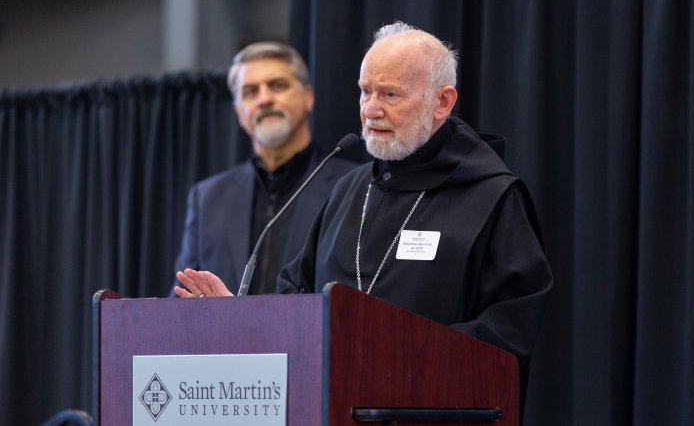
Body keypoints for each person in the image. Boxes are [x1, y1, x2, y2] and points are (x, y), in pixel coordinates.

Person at [175, 23, 552, 387]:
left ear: (442, 102)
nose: (371, 110)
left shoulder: (491, 196)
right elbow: (295, 298)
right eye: (365, 91)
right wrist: (239, 319)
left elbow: (510, 330)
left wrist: (389, 357)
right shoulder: (348, 190)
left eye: (390, 94)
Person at [170, 41, 357, 295]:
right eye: (250, 91)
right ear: (238, 110)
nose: (265, 99)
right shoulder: (207, 198)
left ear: (308, 97)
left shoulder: (353, 186)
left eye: (278, 85)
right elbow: (181, 298)